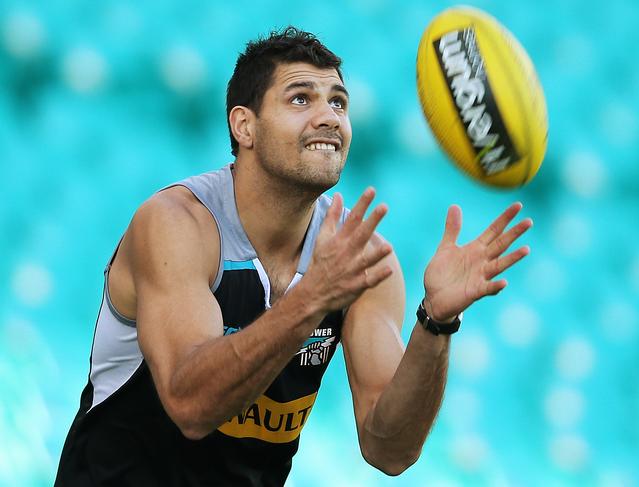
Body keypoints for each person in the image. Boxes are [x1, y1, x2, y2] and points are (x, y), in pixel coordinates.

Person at [55, 26, 532, 486]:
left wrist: (436, 324)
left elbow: (389, 450)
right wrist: (312, 298)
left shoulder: (364, 260)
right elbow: (190, 405)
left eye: (339, 102)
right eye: (301, 98)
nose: (329, 117)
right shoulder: (178, 224)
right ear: (245, 125)